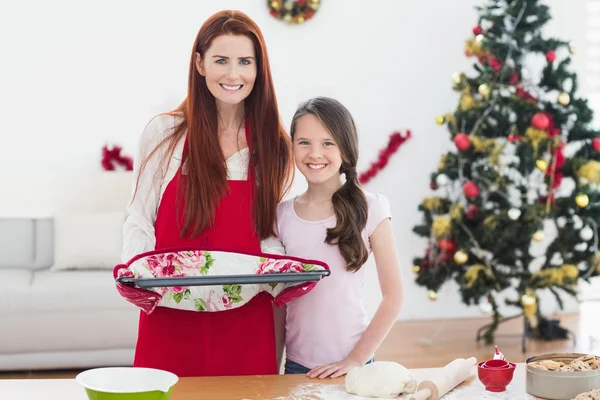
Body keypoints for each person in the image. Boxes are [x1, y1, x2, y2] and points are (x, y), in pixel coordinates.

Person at [120, 10, 293, 377]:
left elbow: (270, 233)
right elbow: (139, 217)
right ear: (199, 64)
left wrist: (281, 275)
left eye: (245, 61)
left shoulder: (273, 145)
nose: (234, 74)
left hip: (246, 318)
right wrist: (135, 273)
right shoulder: (165, 134)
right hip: (170, 313)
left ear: (258, 69)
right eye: (221, 60)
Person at [276, 97, 404, 378]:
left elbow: (394, 297)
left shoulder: (372, 208)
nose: (315, 153)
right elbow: (278, 300)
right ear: (292, 146)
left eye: (327, 143)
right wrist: (273, 367)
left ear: (345, 148)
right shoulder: (282, 216)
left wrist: (356, 360)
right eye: (304, 142)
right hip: (297, 366)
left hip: (354, 364)